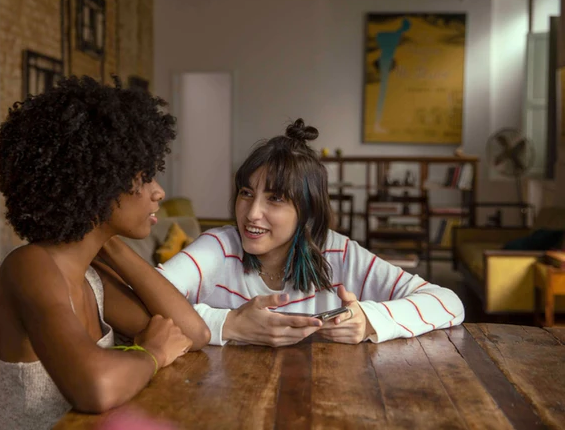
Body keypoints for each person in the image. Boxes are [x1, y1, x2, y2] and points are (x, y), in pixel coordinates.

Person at [0, 76, 210, 430]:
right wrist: (152, 354)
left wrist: (110, 244)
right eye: (145, 176)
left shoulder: (91, 277)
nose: (159, 191)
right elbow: (96, 386)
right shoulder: (28, 266)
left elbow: (192, 333)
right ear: (99, 181)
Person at [158, 119, 464, 347]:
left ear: (307, 210)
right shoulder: (218, 248)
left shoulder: (339, 253)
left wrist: (369, 320)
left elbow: (448, 301)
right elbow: (139, 301)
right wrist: (229, 324)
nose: (251, 213)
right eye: (246, 193)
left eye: (275, 198)